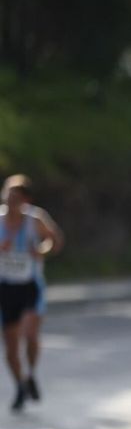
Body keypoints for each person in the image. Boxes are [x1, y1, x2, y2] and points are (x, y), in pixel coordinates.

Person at [0, 175, 64, 412]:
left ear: (25, 200)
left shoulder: (35, 219)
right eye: (8, 195)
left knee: (30, 334)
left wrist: (40, 251)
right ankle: (19, 385)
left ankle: (31, 374)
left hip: (30, 284)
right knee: (10, 345)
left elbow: (55, 240)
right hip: (6, 287)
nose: (11, 201)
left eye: (16, 197)